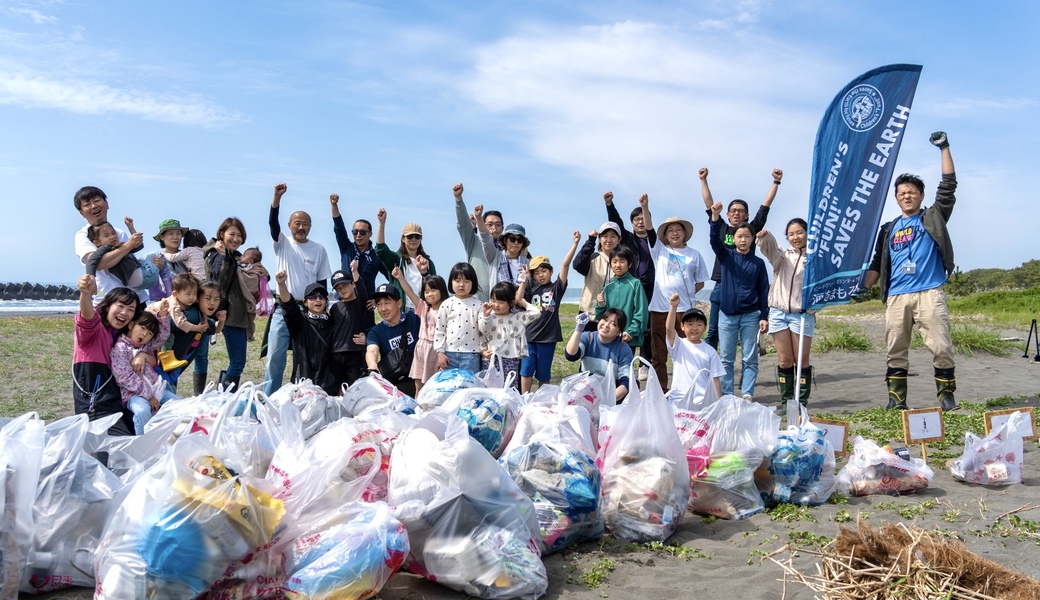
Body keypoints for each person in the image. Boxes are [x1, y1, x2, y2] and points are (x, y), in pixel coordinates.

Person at [864, 132, 959, 411]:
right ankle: (896, 399)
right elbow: (876, 265)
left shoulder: (933, 216)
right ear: (896, 198)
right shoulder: (888, 229)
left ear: (921, 196)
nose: (907, 196)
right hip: (896, 297)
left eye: (912, 192)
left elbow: (949, 186)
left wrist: (944, 147)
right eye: (902, 193)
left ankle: (946, 395)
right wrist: (858, 286)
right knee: (895, 349)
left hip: (929, 292)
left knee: (941, 347)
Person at [699, 167, 782, 349]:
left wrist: (776, 182)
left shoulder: (750, 230)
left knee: (744, 332)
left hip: (746, 286)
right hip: (722, 284)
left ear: (747, 215)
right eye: (733, 210)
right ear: (727, 215)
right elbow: (709, 205)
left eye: (741, 210)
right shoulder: (720, 227)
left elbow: (765, 207)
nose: (736, 213)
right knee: (713, 331)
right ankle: (712, 368)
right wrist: (703, 180)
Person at [263, 183, 333, 396]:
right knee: (275, 356)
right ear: (290, 225)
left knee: (304, 357)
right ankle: (268, 399)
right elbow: (272, 223)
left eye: (305, 224)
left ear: (310, 227)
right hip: (284, 309)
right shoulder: (282, 243)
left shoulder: (319, 249)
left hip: (308, 312)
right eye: (297, 223)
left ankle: (300, 396)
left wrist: (322, 309)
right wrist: (277, 198)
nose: (300, 228)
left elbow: (322, 284)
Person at [640, 195, 709, 388]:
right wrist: (645, 207)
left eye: (679, 230)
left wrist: (683, 296)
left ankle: (687, 386)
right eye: (671, 230)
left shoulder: (694, 255)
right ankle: (660, 390)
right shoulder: (659, 249)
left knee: (686, 350)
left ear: (685, 233)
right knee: (658, 353)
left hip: (685, 310)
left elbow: (700, 283)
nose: (675, 233)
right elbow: (649, 230)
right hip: (659, 309)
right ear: (665, 235)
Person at [709, 202, 770, 401]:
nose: (743, 240)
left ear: (753, 239)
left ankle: (747, 394)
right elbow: (714, 241)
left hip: (751, 315)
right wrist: (715, 217)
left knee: (749, 358)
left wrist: (764, 316)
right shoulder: (726, 256)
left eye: (747, 236)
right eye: (739, 236)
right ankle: (727, 395)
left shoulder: (758, 263)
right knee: (726, 359)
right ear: (733, 238)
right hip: (727, 315)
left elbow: (763, 291)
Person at [757, 219, 815, 406]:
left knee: (801, 360)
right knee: (784, 361)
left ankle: (801, 403)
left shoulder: (815, 256)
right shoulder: (783, 256)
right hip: (779, 312)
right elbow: (771, 250)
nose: (795, 237)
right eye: (791, 234)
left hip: (802, 314)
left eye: (799, 232)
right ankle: (788, 403)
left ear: (807, 233)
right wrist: (766, 238)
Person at [73, 276, 141, 435]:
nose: (124, 312)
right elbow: (87, 317)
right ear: (108, 306)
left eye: (131, 310)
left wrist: (142, 356)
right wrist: (85, 293)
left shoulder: (122, 336)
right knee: (120, 450)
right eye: (121, 306)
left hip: (119, 404)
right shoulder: (94, 330)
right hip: (96, 408)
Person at [73, 185, 160, 305]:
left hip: (136, 298)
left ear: (107, 204)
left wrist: (156, 264)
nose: (93, 206)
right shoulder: (83, 235)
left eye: (97, 201)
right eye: (87, 204)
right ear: (82, 213)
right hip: (109, 299)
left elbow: (133, 252)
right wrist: (128, 245)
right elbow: (98, 263)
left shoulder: (119, 233)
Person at [605, 191, 658, 379]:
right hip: (632, 284)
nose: (640, 221)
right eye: (636, 219)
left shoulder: (655, 240)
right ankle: (627, 361)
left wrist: (645, 206)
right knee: (627, 319)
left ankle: (644, 361)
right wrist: (610, 205)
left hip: (651, 287)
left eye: (643, 218)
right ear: (632, 222)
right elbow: (617, 223)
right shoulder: (628, 238)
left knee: (648, 324)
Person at [520, 232, 580, 393]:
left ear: (551, 271)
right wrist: (525, 279)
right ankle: (523, 397)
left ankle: (541, 399)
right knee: (526, 370)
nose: (541, 275)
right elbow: (519, 299)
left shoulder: (556, 288)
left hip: (548, 338)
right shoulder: (531, 289)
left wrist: (575, 244)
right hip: (530, 337)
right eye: (537, 272)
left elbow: (565, 265)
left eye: (544, 271)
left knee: (544, 373)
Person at [204, 217, 256, 392]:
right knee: (238, 361)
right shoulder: (219, 255)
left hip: (234, 314)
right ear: (221, 234)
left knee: (237, 360)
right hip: (230, 315)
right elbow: (218, 284)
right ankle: (224, 399)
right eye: (231, 234)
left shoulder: (232, 256)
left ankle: (223, 397)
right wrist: (225, 259)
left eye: (239, 235)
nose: (236, 239)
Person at [111, 305, 178, 435]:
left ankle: (173, 438)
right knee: (142, 411)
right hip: (133, 394)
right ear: (131, 325)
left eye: (149, 333)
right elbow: (124, 377)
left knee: (179, 405)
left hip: (156, 389)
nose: (144, 334)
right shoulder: (120, 349)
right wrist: (148, 395)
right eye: (142, 328)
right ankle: (144, 443)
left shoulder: (146, 346)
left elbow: (163, 336)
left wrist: (163, 316)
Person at [274, 270, 339, 396]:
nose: (317, 300)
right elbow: (288, 304)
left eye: (321, 297)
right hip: (302, 386)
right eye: (313, 297)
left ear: (326, 301)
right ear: (305, 302)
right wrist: (282, 284)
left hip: (328, 388)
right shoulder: (300, 322)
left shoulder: (333, 322)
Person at [157, 280, 226, 395]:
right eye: (208, 298)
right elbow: (167, 325)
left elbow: (214, 329)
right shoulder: (191, 315)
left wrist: (221, 321)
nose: (212, 303)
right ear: (198, 298)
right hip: (161, 367)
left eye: (216, 299)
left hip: (172, 369)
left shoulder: (201, 316)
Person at [331, 193, 387, 330]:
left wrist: (378, 299)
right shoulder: (346, 248)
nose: (358, 235)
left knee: (364, 343)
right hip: (344, 304)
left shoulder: (376, 255)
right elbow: (339, 227)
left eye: (362, 232)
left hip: (365, 307)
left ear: (370, 234)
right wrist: (334, 205)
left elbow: (392, 277)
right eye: (355, 232)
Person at [479, 279, 541, 390]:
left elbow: (536, 313)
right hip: (491, 359)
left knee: (509, 388)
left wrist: (521, 301)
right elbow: (482, 333)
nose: (496, 305)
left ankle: (508, 407)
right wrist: (483, 350)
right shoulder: (488, 316)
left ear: (511, 303)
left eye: (501, 302)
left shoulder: (517, 317)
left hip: (510, 359)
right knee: (489, 389)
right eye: (493, 300)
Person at [394, 268, 448, 395]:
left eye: (433, 290)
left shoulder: (447, 309)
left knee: (434, 384)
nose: (429, 294)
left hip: (436, 349)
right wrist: (400, 278)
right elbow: (410, 293)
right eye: (426, 291)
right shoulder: (423, 307)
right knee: (418, 384)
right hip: (421, 347)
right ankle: (418, 407)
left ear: (442, 290)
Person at [665, 293, 724, 404]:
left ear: (705, 327)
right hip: (678, 400)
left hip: (701, 401)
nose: (694, 328)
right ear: (682, 326)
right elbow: (669, 329)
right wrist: (673, 307)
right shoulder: (679, 345)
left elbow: (716, 380)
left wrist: (718, 405)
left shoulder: (710, 351)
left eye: (699, 324)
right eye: (690, 324)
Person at [365, 283, 422, 396]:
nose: (383, 308)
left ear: (399, 303)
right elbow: (372, 350)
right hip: (395, 386)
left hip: (419, 380)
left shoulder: (414, 318)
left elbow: (424, 306)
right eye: (379, 304)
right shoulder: (376, 331)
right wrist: (372, 365)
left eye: (387, 303)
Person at [564, 309, 633, 402]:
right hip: (586, 392)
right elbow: (571, 355)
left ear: (618, 332)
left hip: (611, 396)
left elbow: (626, 383)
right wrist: (579, 329)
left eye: (613, 324)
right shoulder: (588, 337)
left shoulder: (623, 349)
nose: (606, 325)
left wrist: (605, 400)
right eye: (605, 319)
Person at [374, 207, 436, 311]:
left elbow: (435, 287)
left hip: (422, 309)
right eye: (410, 236)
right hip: (401, 310)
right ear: (403, 239)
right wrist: (381, 224)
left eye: (417, 237)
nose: (413, 239)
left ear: (421, 239)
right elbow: (380, 250)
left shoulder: (428, 263)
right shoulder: (396, 260)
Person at [453, 182, 502, 301]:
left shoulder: (507, 249)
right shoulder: (474, 241)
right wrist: (458, 199)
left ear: (503, 228)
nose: (493, 228)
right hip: (475, 301)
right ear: (482, 225)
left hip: (500, 304)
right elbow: (463, 224)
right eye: (489, 224)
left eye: (498, 224)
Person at [595, 245, 648, 353]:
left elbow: (641, 312)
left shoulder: (635, 284)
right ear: (610, 264)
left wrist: (630, 332)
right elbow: (601, 316)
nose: (618, 265)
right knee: (609, 368)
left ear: (630, 264)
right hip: (610, 337)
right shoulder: (608, 287)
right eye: (614, 261)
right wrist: (601, 304)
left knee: (625, 368)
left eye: (622, 261)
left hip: (627, 338)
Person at [434, 262, 484, 373]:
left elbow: (483, 330)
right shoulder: (446, 304)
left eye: (466, 281)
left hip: (471, 355)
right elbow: (440, 330)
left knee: (470, 388)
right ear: (451, 282)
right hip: (449, 354)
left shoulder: (479, 304)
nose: (461, 284)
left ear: (473, 283)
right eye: (457, 281)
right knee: (449, 387)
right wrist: (440, 353)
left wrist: (486, 316)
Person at [84, 220, 157, 291]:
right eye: (106, 235)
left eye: (113, 233)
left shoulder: (120, 246)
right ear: (97, 242)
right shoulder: (105, 248)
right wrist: (91, 277)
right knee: (156, 255)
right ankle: (160, 288)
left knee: (149, 258)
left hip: (137, 283)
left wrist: (131, 228)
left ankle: (155, 291)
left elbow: (139, 246)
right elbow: (91, 260)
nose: (112, 237)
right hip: (143, 277)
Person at [329, 263, 370, 389]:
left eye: (345, 285)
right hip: (336, 353)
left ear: (353, 284)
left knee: (354, 388)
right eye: (338, 288)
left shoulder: (359, 303)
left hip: (355, 353)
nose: (342, 289)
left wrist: (355, 272)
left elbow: (362, 292)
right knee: (338, 388)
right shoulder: (335, 307)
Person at [473, 203, 530, 289]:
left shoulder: (527, 263)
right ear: (505, 240)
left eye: (520, 240)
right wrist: (479, 218)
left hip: (521, 301)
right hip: (498, 301)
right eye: (512, 239)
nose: (516, 243)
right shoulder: (495, 256)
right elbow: (486, 238)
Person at [575, 222, 622, 318]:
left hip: (613, 316)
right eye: (605, 236)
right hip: (590, 314)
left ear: (619, 239)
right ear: (600, 239)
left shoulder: (623, 262)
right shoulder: (592, 258)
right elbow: (577, 265)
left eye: (613, 236)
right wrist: (590, 241)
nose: (609, 240)